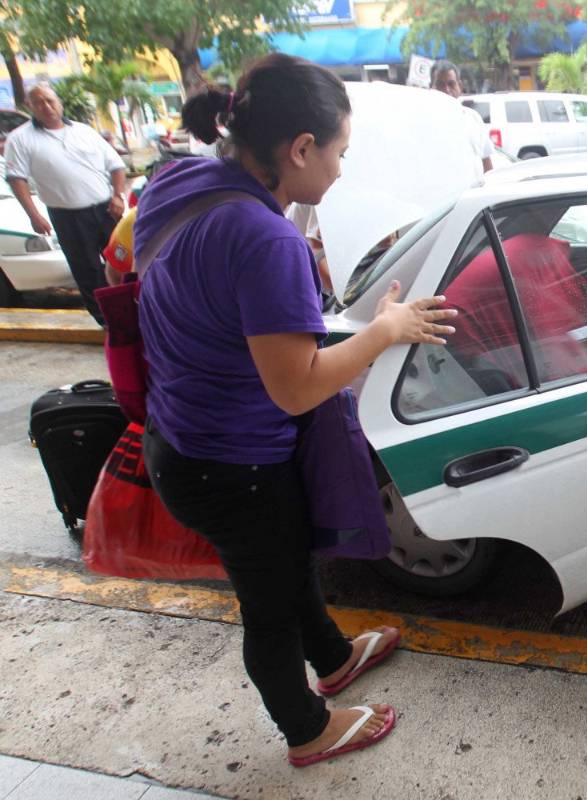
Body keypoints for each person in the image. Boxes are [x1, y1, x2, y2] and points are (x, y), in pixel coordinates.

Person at [136, 53, 457, 767]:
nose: (342, 169)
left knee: (288, 562)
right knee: (270, 604)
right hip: (232, 464)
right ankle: (307, 729)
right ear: (302, 149)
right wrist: (384, 331)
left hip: (181, 432)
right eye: (339, 151)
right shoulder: (266, 237)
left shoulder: (178, 179)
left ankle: (334, 658)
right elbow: (297, 388)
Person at [5, 83, 126, 323]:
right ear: (29, 107)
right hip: (68, 216)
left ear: (59, 102)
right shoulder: (20, 139)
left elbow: (116, 166)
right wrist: (34, 215)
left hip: (106, 210)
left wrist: (118, 195)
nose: (46, 106)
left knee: (122, 261)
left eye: (50, 100)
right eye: (39, 102)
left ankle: (133, 308)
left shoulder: (84, 131)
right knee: (87, 270)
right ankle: (105, 320)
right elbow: (17, 179)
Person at [430, 60, 494, 173]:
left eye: (451, 84)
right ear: (431, 88)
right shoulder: (426, 122)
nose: (447, 90)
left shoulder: (473, 118)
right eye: (440, 85)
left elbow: (486, 163)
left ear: (459, 86)